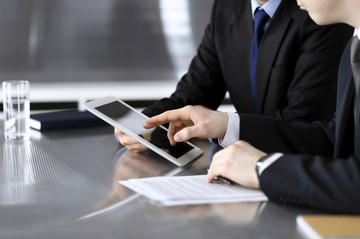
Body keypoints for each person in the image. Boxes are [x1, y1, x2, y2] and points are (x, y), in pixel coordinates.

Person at [143, 0, 360, 214]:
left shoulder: (326, 25)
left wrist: (261, 167)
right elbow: (332, 138)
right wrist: (144, 126)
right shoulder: (353, 49)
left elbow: (323, 141)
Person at [115, 0, 352, 152]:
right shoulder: (228, 7)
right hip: (241, 166)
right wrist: (146, 123)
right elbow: (193, 93)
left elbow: (304, 123)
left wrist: (226, 127)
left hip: (298, 166)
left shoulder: (321, 10)